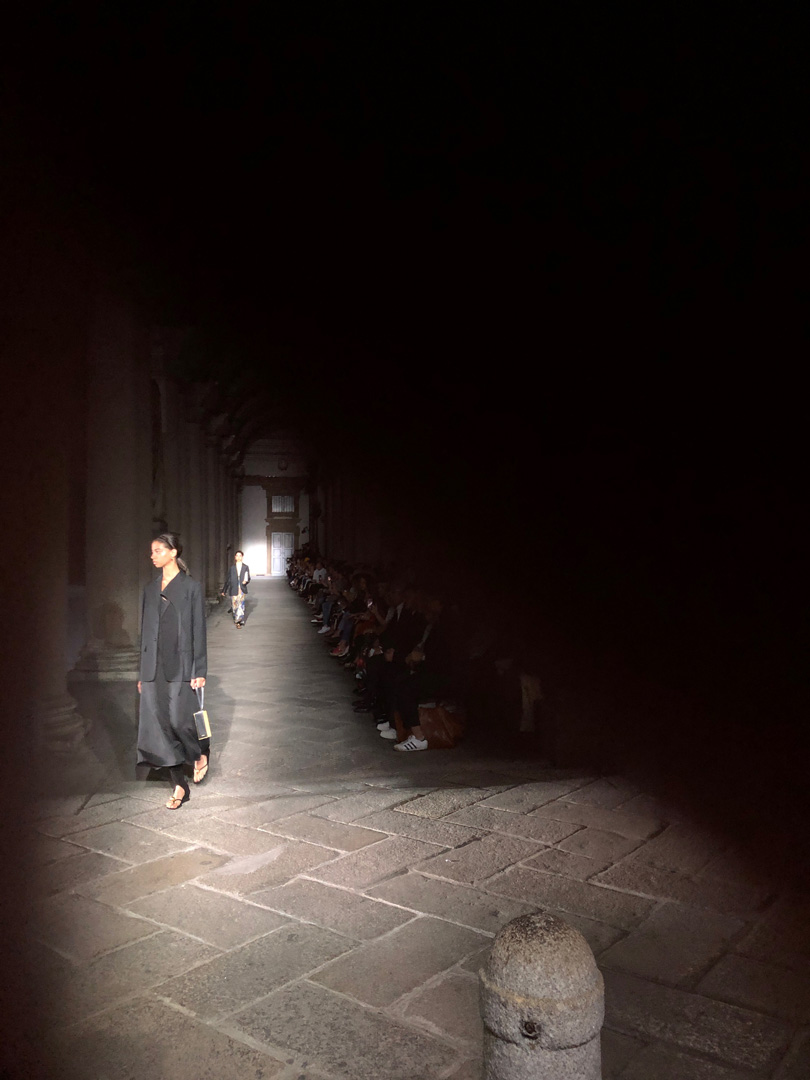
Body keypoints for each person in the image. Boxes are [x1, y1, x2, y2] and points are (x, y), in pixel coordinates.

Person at [137, 533, 209, 809]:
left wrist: (199, 669)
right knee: (160, 725)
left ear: (173, 552)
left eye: (158, 550)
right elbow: (145, 633)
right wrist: (142, 673)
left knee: (180, 720)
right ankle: (180, 784)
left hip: (181, 664)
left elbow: (198, 629)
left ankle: (200, 753)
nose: (152, 555)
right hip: (154, 666)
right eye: (152, 551)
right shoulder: (149, 589)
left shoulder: (191, 587)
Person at [223, 549, 251, 628]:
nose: (238, 557)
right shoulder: (232, 568)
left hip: (241, 587)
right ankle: (237, 618)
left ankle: (238, 621)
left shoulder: (245, 567)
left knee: (241, 603)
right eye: (237, 556)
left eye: (240, 556)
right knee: (234, 604)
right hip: (233, 587)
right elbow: (228, 579)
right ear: (235, 557)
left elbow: (248, 577)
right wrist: (224, 590)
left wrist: (246, 581)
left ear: (242, 557)